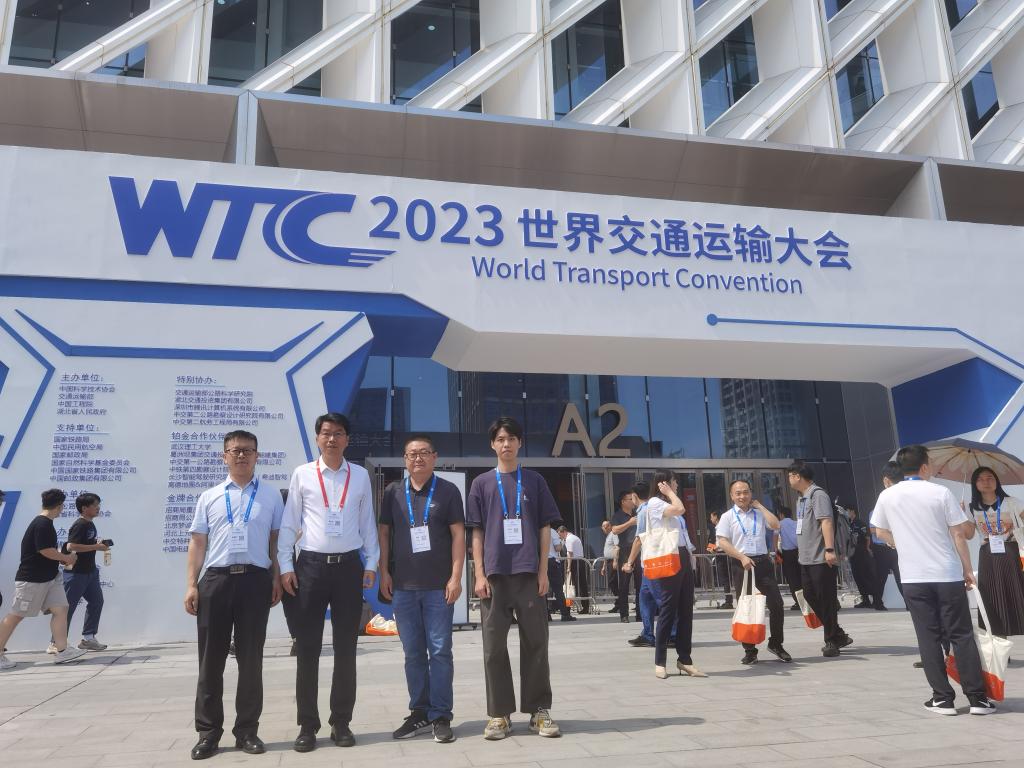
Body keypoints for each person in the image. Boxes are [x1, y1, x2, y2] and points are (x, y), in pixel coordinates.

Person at [279, 413, 379, 751]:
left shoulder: (360, 476)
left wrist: (372, 561)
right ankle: (307, 725)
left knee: (346, 648)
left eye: (338, 433)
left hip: (348, 567)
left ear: (347, 439)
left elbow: (367, 522)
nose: (332, 439)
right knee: (307, 648)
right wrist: (285, 565)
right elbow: (290, 522)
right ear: (317, 438)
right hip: (310, 568)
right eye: (326, 433)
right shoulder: (303, 474)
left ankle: (341, 722)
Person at [870, 444, 994, 715]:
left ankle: (942, 698)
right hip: (947, 574)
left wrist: (902, 544)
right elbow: (959, 534)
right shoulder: (940, 492)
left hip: (913, 576)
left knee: (928, 636)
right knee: (960, 634)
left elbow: (879, 531)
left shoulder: (888, 496)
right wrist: (967, 569)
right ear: (924, 467)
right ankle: (977, 699)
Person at [184, 430, 283, 760]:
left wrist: (276, 577)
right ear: (224, 456)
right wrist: (191, 584)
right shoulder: (209, 496)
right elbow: (198, 543)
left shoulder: (271, 496)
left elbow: (276, 542)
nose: (242, 456)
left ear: (257, 456)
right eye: (235, 450)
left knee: (251, 660)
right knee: (210, 661)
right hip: (216, 582)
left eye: (248, 451)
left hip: (255, 581)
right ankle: (208, 733)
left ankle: (247, 731)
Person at [467, 416, 561, 741]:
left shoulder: (534, 480)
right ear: (492, 444)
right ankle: (499, 715)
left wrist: (543, 571)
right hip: (494, 577)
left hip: (528, 574)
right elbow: (476, 532)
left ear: (520, 443)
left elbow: (545, 527)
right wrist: (479, 574)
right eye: (500, 439)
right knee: (493, 648)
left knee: (536, 643)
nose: (506, 444)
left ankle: (539, 711)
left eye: (511, 438)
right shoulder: (481, 484)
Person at [378, 435, 466, 744]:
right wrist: (384, 571)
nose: (418, 458)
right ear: (405, 459)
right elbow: (384, 533)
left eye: (424, 453)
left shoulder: (448, 491)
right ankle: (419, 712)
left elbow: (458, 536)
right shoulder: (393, 491)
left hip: (438, 588)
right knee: (413, 652)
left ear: (434, 457)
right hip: (403, 587)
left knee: (440, 651)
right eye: (412, 454)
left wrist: (456, 577)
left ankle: (440, 715)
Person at [0, 489, 86, 670]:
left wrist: (61, 559)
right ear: (60, 506)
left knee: (61, 609)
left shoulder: (46, 523)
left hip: (50, 578)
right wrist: (67, 558)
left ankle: (62, 650)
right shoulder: (42, 524)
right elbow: (45, 550)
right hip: (32, 579)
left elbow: (47, 551)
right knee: (16, 615)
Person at [716, 479, 791, 665]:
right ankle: (750, 650)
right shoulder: (727, 516)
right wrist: (741, 557)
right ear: (732, 496)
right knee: (747, 607)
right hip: (742, 564)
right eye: (738, 493)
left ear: (751, 493)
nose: (742, 496)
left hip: (763, 563)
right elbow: (722, 542)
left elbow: (776, 525)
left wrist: (761, 507)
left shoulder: (759, 513)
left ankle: (776, 644)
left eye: (746, 492)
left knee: (777, 604)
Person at [636, 471, 703, 679]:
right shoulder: (655, 503)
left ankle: (685, 659)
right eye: (674, 482)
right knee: (668, 608)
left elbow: (681, 532)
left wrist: (691, 556)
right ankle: (660, 661)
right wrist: (668, 492)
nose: (676, 486)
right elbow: (680, 509)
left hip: (682, 555)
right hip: (669, 556)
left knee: (686, 609)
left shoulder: (668, 503)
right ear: (663, 484)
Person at [788, 461, 852, 658]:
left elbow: (826, 521)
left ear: (797, 476)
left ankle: (831, 641)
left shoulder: (818, 494)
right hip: (806, 558)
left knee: (826, 599)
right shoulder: (801, 498)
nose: (789, 480)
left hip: (821, 557)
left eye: (790, 476)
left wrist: (830, 549)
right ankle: (838, 634)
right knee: (809, 595)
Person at [968, 466, 1024, 638]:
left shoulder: (1012, 502)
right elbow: (968, 534)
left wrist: (1013, 529)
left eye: (990, 478)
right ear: (975, 484)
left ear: (996, 481)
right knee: (992, 597)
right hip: (987, 556)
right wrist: (961, 514)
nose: (986, 482)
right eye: (980, 479)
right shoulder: (972, 507)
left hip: (1011, 552)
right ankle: (999, 641)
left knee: (1017, 595)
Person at [53, 492, 111, 652]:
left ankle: (88, 638)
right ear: (84, 508)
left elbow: (83, 544)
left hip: (90, 572)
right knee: (67, 607)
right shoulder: (80, 524)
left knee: (97, 602)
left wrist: (97, 543)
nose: (98, 508)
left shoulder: (90, 524)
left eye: (98, 505)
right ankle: (56, 643)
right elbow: (71, 546)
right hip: (76, 573)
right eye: (95, 505)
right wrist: (96, 546)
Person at [871, 461, 904, 610]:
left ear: (886, 480)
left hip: (894, 546)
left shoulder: (885, 496)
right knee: (883, 577)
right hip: (884, 548)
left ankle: (908, 603)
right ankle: (878, 602)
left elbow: (879, 531)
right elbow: (874, 529)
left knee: (899, 576)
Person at [611, 490, 641, 622]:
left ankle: (640, 613)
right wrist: (629, 523)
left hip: (639, 550)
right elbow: (614, 530)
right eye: (630, 499)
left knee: (641, 584)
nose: (633, 502)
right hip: (625, 551)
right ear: (623, 502)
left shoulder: (638, 513)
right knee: (624, 584)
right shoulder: (618, 515)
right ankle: (624, 614)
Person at [847, 507, 877, 609]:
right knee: (857, 577)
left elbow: (867, 537)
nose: (847, 513)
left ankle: (875, 599)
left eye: (848, 511)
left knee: (866, 576)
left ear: (853, 511)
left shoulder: (860, 523)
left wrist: (867, 548)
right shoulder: (849, 524)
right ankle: (865, 600)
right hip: (853, 554)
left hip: (862, 553)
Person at [558, 525, 589, 612]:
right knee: (581, 584)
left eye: (560, 535)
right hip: (580, 561)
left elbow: (570, 554)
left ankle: (568, 606)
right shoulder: (575, 537)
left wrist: (568, 567)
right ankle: (585, 606)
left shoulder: (569, 539)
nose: (560, 537)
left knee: (570, 584)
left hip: (575, 562)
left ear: (564, 532)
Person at [776, 506, 801, 610]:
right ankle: (805, 600)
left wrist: (776, 551)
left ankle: (798, 602)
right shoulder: (796, 523)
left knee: (792, 579)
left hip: (787, 554)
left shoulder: (779, 524)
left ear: (781, 514)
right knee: (800, 577)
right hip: (798, 552)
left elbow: (775, 536)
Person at [546, 526, 574, 622]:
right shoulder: (552, 532)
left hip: (541, 562)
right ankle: (565, 614)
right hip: (552, 561)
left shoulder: (536, 531)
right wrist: (561, 542)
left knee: (543, 591)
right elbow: (557, 548)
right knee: (558, 590)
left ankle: (546, 615)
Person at [707, 511, 733, 610]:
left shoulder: (720, 527)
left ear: (716, 517)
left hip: (722, 554)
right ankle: (728, 600)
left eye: (711, 517)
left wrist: (713, 548)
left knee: (725, 578)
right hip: (722, 554)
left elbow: (721, 543)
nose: (711, 519)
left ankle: (728, 601)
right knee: (725, 578)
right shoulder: (718, 527)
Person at [600, 520, 620, 611]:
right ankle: (618, 603)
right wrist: (604, 566)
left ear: (610, 526)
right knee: (612, 582)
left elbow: (617, 547)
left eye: (606, 526)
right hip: (608, 561)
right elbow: (606, 552)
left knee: (613, 582)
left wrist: (615, 560)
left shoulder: (613, 534)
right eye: (603, 526)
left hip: (613, 561)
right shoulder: (608, 536)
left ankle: (619, 603)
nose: (604, 528)